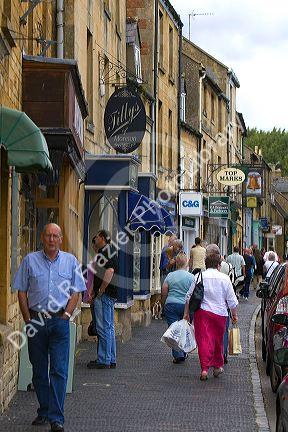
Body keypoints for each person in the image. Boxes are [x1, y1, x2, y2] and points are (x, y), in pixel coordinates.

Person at [13, 223, 86, 432]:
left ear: (61, 239)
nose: (52, 239)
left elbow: (76, 292)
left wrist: (66, 315)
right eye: (48, 235)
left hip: (59, 323)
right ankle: (44, 410)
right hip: (36, 321)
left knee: (59, 370)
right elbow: (21, 291)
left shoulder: (70, 262)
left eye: (55, 236)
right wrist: (28, 319)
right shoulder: (30, 261)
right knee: (38, 370)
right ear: (42, 238)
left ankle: (56, 418)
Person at [184, 253, 238, 381]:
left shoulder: (198, 276)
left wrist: (186, 313)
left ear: (206, 265)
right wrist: (234, 315)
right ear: (219, 265)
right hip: (220, 314)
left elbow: (188, 297)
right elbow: (232, 301)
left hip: (202, 313)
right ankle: (217, 366)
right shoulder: (225, 279)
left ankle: (204, 369)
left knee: (203, 341)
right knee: (217, 342)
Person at [87, 230, 118, 369]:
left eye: (97, 237)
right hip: (110, 294)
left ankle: (104, 359)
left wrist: (101, 290)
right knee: (109, 326)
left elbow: (109, 271)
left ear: (103, 238)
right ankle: (111, 358)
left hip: (105, 295)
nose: (95, 239)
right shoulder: (110, 251)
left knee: (103, 327)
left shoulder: (105, 252)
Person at [161, 253, 195, 364]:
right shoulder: (191, 277)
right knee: (184, 329)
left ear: (176, 263)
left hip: (171, 305)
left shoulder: (170, 275)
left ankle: (178, 355)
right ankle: (183, 352)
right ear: (187, 262)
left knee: (174, 330)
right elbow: (194, 293)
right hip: (186, 306)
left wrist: (163, 303)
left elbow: (164, 290)